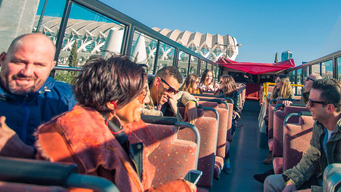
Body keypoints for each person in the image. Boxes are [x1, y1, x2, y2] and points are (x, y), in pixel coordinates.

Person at [36, 56, 195, 192]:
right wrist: (180, 188)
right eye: (141, 96)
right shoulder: (78, 143)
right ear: (113, 102)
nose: (146, 100)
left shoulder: (119, 127)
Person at [263, 78, 341, 192]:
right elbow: (311, 159)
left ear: (329, 108)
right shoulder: (320, 124)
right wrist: (292, 181)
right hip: (323, 180)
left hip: (338, 187)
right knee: (272, 182)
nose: (307, 106)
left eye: (312, 103)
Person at [0, 33, 76, 158]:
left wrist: (28, 153)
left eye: (39, 65)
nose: (27, 72)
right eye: (19, 62)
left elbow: (87, 158)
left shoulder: (69, 101)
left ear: (51, 67)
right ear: (2, 59)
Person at [263, 74, 295, 164]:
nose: (276, 83)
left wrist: (288, 102)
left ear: (283, 82)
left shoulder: (289, 93)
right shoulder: (275, 90)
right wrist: (276, 100)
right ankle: (272, 152)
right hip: (275, 114)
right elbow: (271, 103)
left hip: (286, 115)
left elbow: (293, 104)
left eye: (278, 81)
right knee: (269, 122)